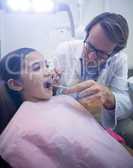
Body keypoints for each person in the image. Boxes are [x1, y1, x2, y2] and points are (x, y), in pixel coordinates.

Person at [0, 47, 133, 168]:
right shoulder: (20, 134)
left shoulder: (62, 100)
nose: (49, 72)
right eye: (36, 68)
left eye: (46, 65)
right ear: (16, 84)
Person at [53, 12, 133, 129]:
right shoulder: (64, 50)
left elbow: (126, 104)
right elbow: (53, 88)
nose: (91, 57)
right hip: (66, 115)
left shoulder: (119, 59)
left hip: (97, 119)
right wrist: (53, 85)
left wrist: (110, 98)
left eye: (101, 53)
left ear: (114, 53)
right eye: (90, 46)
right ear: (87, 35)